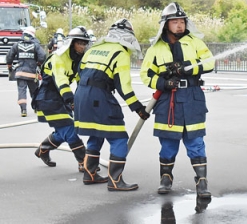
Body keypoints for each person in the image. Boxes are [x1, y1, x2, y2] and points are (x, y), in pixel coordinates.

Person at [140, 2, 214, 198]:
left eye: (182, 21)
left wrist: (186, 67)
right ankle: (166, 178)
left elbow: (210, 62)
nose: (180, 25)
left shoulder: (195, 42)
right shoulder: (155, 48)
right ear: (166, 24)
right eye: (175, 22)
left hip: (192, 97)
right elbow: (145, 74)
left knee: (196, 141)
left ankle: (202, 182)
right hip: (168, 100)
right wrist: (164, 83)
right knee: (168, 143)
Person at [74, 19, 150, 191]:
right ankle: (115, 180)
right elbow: (124, 86)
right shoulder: (120, 53)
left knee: (96, 134)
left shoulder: (93, 49)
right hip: (100, 97)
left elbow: (79, 74)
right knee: (119, 138)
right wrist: (138, 108)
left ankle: (90, 173)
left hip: (81, 94)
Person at [33, 26, 91, 172]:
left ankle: (43, 150)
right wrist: (70, 99)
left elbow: (80, 80)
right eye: (80, 43)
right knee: (69, 130)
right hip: (48, 98)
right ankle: (83, 161)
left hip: (60, 98)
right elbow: (60, 80)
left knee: (63, 130)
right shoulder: (58, 57)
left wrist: (83, 97)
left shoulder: (77, 60)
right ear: (72, 43)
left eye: (84, 44)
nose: (82, 47)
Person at [6, 26, 46, 117]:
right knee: (35, 91)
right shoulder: (35, 45)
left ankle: (23, 110)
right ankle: (37, 108)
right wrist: (38, 64)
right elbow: (42, 56)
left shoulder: (17, 44)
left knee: (21, 91)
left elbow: (9, 56)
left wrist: (9, 67)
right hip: (32, 74)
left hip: (20, 72)